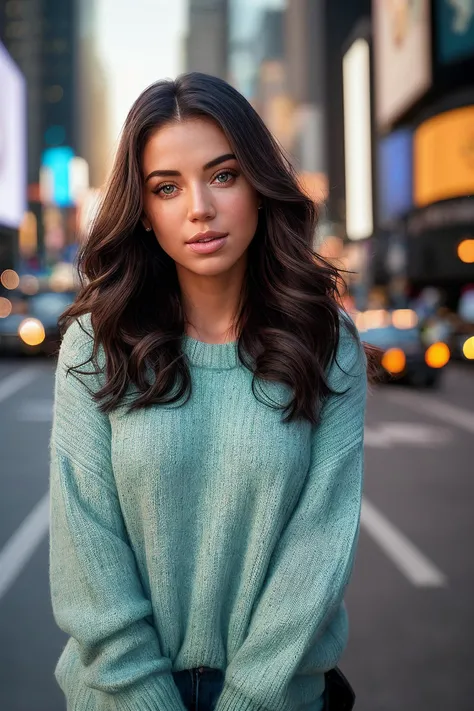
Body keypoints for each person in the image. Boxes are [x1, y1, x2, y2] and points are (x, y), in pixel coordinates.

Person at [49, 72, 374, 711]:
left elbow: (317, 556)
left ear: (259, 184)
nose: (199, 207)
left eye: (223, 175)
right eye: (167, 188)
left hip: (277, 698)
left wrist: (251, 700)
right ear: (143, 213)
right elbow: (87, 562)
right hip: (119, 697)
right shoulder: (96, 343)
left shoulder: (325, 339)